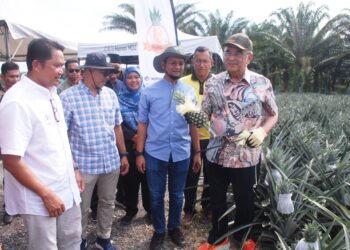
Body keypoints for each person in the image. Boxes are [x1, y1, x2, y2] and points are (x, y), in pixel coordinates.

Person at [197, 33, 279, 250]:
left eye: (238, 53)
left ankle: (243, 240)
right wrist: (191, 113)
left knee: (244, 202)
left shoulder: (262, 83)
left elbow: (273, 114)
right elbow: (203, 115)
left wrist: (262, 131)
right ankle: (218, 240)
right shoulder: (213, 82)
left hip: (246, 156)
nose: (231, 57)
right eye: (228, 52)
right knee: (217, 200)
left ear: (248, 57)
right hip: (216, 152)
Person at [0, 38, 83, 250]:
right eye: (56, 65)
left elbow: (60, 139)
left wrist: (74, 169)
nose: (61, 71)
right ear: (36, 65)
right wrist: (46, 194)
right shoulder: (17, 101)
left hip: (66, 187)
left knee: (72, 240)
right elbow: (10, 160)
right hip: (40, 196)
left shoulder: (52, 93)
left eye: (62, 66)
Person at [60, 52, 129, 250]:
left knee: (108, 202)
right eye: (103, 72)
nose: (107, 76)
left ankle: (103, 238)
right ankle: (78, 240)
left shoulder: (110, 94)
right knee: (81, 207)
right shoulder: (67, 98)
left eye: (108, 72)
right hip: (84, 165)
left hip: (110, 161)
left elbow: (117, 126)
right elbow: (62, 136)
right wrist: (73, 167)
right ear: (88, 71)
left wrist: (123, 154)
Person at [136, 46, 201, 250]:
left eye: (181, 63)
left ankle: (174, 227)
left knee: (177, 194)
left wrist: (197, 152)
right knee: (155, 195)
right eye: (173, 62)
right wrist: (139, 153)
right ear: (163, 65)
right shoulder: (149, 92)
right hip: (155, 152)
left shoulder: (188, 92)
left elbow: (193, 124)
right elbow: (143, 124)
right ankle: (159, 230)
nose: (178, 66)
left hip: (181, 152)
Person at [180, 46, 214, 226]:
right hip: (189, 138)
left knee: (212, 175)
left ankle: (207, 207)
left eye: (205, 61)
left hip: (213, 138)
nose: (201, 65)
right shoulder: (182, 82)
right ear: (193, 63)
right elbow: (180, 109)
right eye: (198, 61)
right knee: (190, 176)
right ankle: (189, 210)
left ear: (211, 63)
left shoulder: (218, 82)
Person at [116, 66, 151, 225]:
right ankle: (131, 210)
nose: (133, 80)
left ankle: (150, 210)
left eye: (136, 77)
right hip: (128, 143)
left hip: (149, 142)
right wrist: (134, 136)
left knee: (148, 178)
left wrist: (143, 136)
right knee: (130, 179)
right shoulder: (118, 98)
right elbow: (117, 123)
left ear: (141, 78)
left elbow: (156, 117)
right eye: (129, 77)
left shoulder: (148, 96)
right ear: (124, 80)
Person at [0, 61, 21, 225]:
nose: (15, 79)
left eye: (17, 76)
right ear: (3, 77)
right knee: (7, 174)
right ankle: (8, 208)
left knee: (20, 174)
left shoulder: (23, 94)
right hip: (3, 141)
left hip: (20, 140)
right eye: (11, 76)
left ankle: (17, 205)